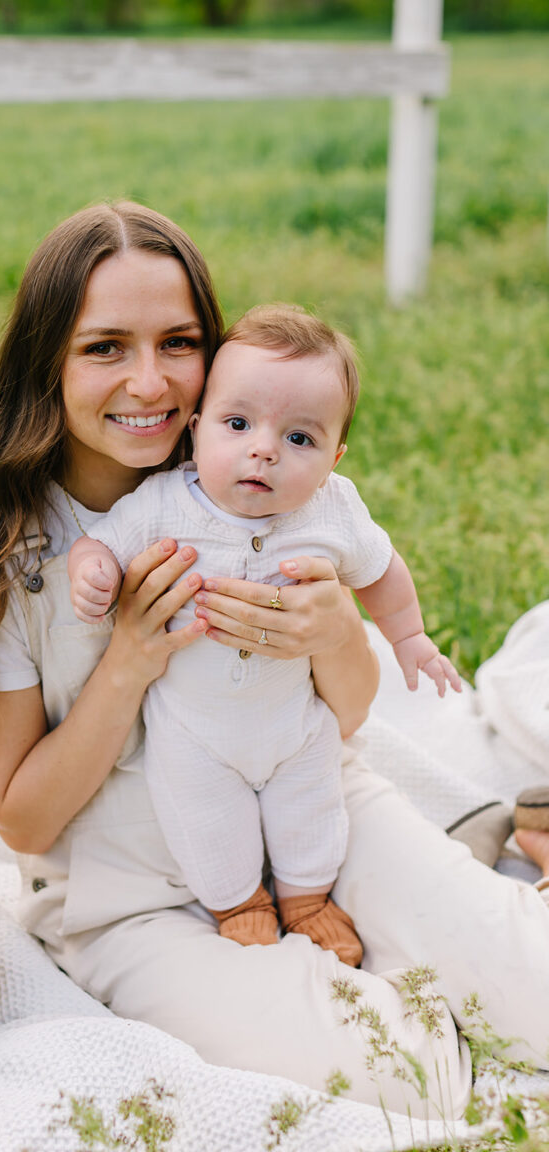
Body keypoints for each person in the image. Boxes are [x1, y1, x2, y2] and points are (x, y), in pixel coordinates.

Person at [0, 200, 549, 1120]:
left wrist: (329, 637)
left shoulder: (267, 479)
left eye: (179, 341)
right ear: (47, 360)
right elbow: (28, 823)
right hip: (131, 893)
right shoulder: (0, 560)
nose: (148, 380)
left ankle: (491, 871)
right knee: (401, 1078)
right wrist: (128, 658)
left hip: (315, 808)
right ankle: (434, 910)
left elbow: (352, 716)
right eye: (105, 347)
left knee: (535, 993)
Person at [67, 303, 460, 963]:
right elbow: (101, 542)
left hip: (293, 722)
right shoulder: (165, 502)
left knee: (312, 804)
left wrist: (410, 637)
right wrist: (94, 572)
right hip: (196, 732)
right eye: (239, 423)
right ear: (197, 431)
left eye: (299, 439)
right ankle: (239, 901)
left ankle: (307, 897)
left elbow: (382, 570)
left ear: (334, 457)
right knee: (206, 820)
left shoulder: (332, 510)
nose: (264, 449)